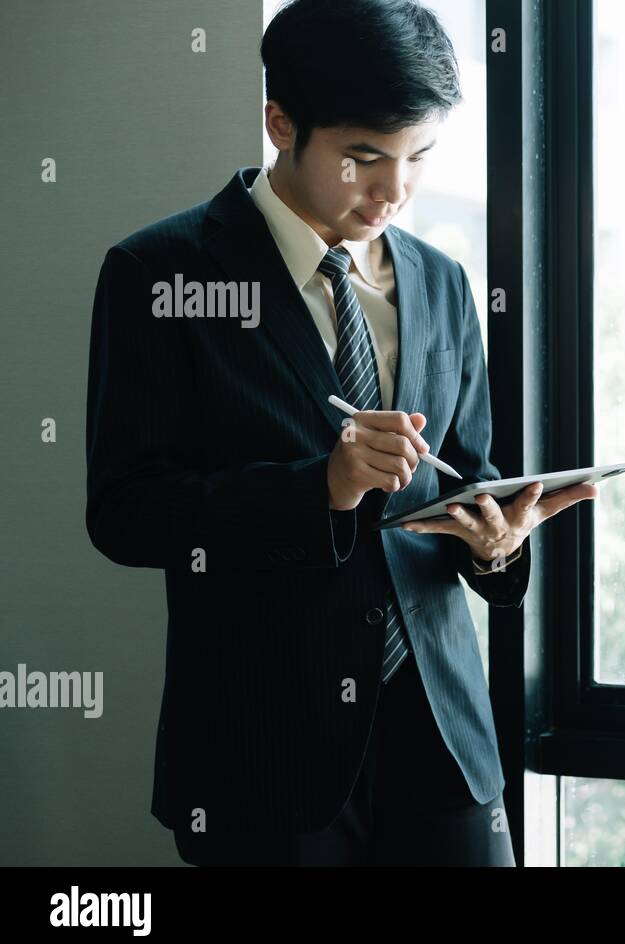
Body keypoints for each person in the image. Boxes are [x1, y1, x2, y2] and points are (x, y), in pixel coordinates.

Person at [84, 0, 595, 865]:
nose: (393, 191)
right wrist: (321, 486)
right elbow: (126, 514)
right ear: (281, 122)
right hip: (264, 764)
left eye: (419, 158)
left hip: (444, 742)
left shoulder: (441, 282)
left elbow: (466, 471)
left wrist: (496, 544)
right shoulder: (161, 274)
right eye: (364, 158)